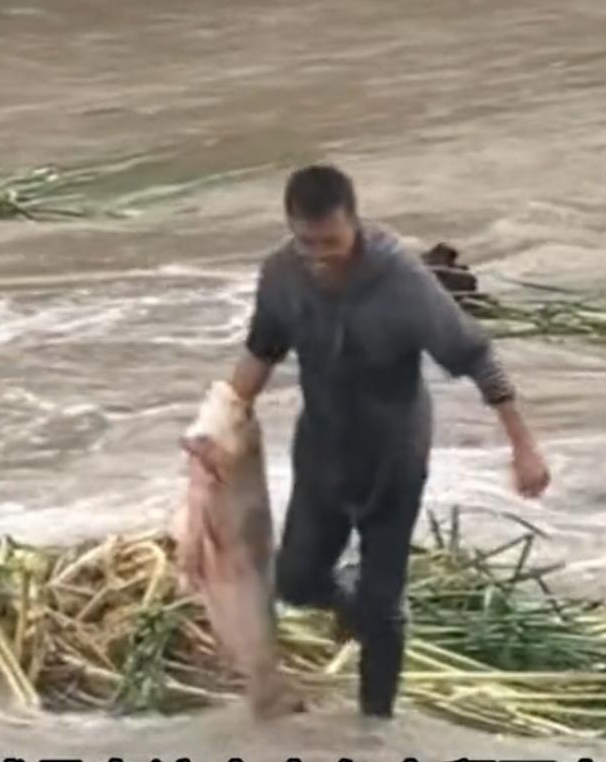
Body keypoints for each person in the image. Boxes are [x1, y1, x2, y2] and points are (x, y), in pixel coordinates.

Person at [225, 164, 550, 720]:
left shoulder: (400, 280)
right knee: (297, 581)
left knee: (384, 605)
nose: (318, 254)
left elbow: (476, 356)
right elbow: (261, 351)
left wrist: (524, 446)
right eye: (307, 241)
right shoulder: (282, 274)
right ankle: (355, 605)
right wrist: (220, 424)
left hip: (393, 458)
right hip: (323, 451)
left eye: (330, 241)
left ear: (354, 223)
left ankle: (376, 730)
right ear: (290, 229)